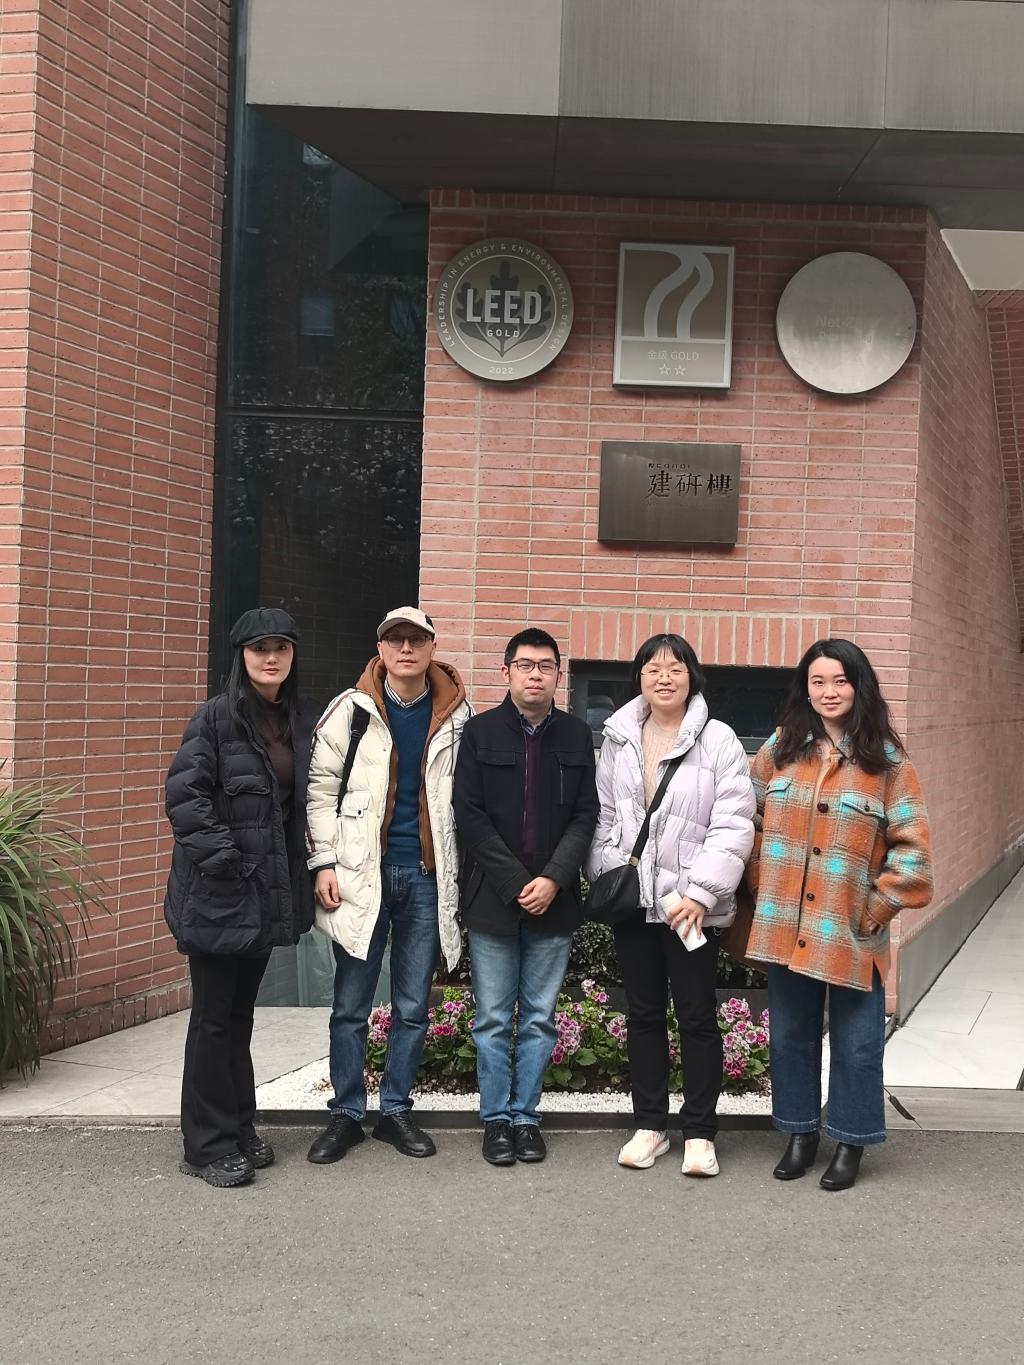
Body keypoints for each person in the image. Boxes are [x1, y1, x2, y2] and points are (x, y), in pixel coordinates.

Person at [746, 638, 933, 1192]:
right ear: (805, 689)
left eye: (840, 681)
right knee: (790, 1035)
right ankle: (799, 1133)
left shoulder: (888, 761)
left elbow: (913, 851)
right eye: (818, 682)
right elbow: (743, 819)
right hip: (786, 923)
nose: (829, 692)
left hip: (850, 927)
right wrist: (759, 880)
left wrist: (874, 910)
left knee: (857, 1042)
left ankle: (851, 1139)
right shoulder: (780, 748)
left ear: (859, 685)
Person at [304, 607, 471, 1163]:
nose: (406, 649)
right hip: (361, 877)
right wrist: (323, 863)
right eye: (395, 640)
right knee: (351, 1005)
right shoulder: (349, 711)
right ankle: (346, 1114)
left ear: (431, 647)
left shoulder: (458, 714)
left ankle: (395, 1109)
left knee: (413, 1006)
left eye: (416, 640)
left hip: (424, 878)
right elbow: (319, 791)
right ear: (380, 648)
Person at [587, 633, 755, 1177]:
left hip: (689, 910)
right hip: (636, 905)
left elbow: (733, 823)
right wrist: (609, 871)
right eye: (653, 668)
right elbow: (603, 816)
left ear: (692, 677)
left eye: (676, 668)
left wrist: (701, 893)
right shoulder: (618, 738)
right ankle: (650, 1126)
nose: (665, 678)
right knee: (642, 1015)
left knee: (697, 1016)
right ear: (639, 677)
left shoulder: (719, 740)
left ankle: (700, 1133)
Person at [164, 607, 319, 1188]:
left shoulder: (298, 720)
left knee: (238, 1017)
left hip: (261, 898)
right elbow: (185, 799)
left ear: (293, 654)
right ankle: (205, 1146)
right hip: (217, 895)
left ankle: (238, 1126)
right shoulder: (215, 719)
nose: (270, 657)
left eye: (280, 647)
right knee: (213, 1020)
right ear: (241, 656)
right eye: (259, 649)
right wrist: (229, 863)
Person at [453, 628, 599, 1166]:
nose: (535, 675)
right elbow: (468, 814)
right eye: (524, 665)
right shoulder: (479, 732)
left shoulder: (577, 736)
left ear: (559, 675)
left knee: (539, 1017)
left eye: (545, 666)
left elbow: (586, 814)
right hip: (493, 900)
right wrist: (517, 881)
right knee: (492, 1018)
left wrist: (555, 877)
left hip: (554, 902)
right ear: (506, 672)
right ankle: (496, 1120)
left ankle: (526, 1118)